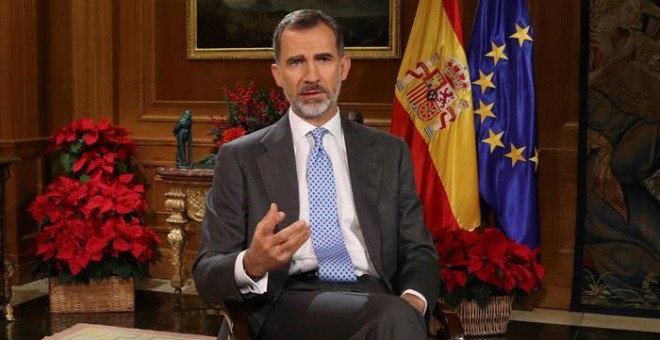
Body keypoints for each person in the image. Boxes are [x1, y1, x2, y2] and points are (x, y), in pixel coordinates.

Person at [193, 9, 439, 340]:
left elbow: (417, 251)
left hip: (373, 297)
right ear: (278, 74)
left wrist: (414, 301)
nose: (311, 75)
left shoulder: (388, 152)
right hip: (284, 301)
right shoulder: (240, 157)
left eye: (323, 59)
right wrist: (252, 262)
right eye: (296, 62)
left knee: (397, 316)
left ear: (344, 67)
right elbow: (206, 273)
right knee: (394, 319)